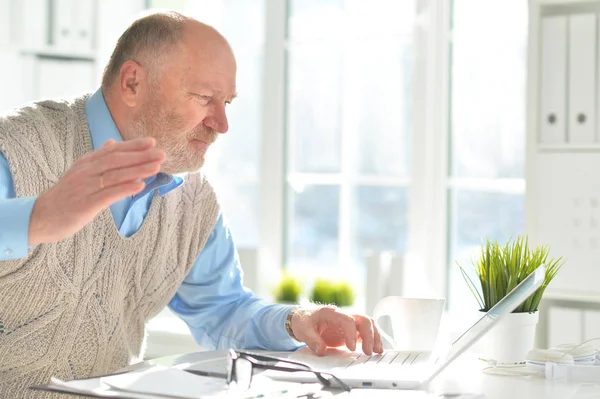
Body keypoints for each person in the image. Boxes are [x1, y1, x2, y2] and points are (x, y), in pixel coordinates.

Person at [0, 11, 383, 397]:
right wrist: (40, 218)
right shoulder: (17, 149)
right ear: (132, 82)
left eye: (227, 103)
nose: (221, 123)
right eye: (204, 98)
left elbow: (225, 309)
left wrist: (295, 321)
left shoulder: (192, 199)